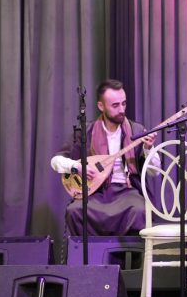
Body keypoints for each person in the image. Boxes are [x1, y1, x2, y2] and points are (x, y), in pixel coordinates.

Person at [51, 79, 159, 237]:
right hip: (95, 192)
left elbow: (155, 172)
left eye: (123, 104)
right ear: (101, 106)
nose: (121, 109)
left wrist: (148, 149)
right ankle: (90, 253)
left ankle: (129, 253)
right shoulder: (86, 132)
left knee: (139, 210)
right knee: (75, 211)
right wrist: (76, 167)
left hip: (127, 191)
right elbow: (56, 161)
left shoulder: (136, 130)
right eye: (115, 105)